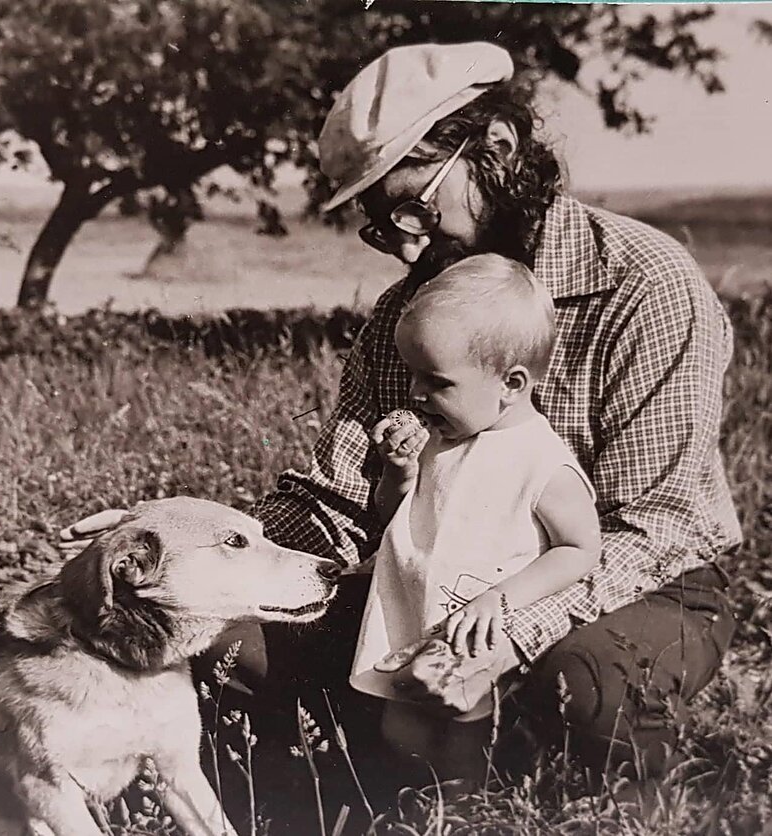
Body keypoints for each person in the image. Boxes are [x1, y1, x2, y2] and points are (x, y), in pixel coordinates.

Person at [61, 41, 741, 789]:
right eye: (381, 226)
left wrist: (506, 632)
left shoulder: (644, 284)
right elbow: (333, 497)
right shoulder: (406, 314)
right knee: (232, 649)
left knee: (582, 689)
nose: (408, 245)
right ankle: (339, 793)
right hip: (430, 583)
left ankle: (586, 793)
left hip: (636, 582)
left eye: (417, 207)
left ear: (498, 149)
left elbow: (662, 524)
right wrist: (178, 540)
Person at [349, 253, 601, 779]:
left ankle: (466, 812)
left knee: (465, 735)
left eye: (436, 382)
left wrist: (501, 599)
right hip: (412, 615)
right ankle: (408, 809)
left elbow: (581, 550)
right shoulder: (438, 440)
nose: (416, 394)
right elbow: (396, 519)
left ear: (511, 383)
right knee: (401, 733)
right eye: (412, 376)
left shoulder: (542, 463)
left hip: (478, 631)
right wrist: (397, 476)